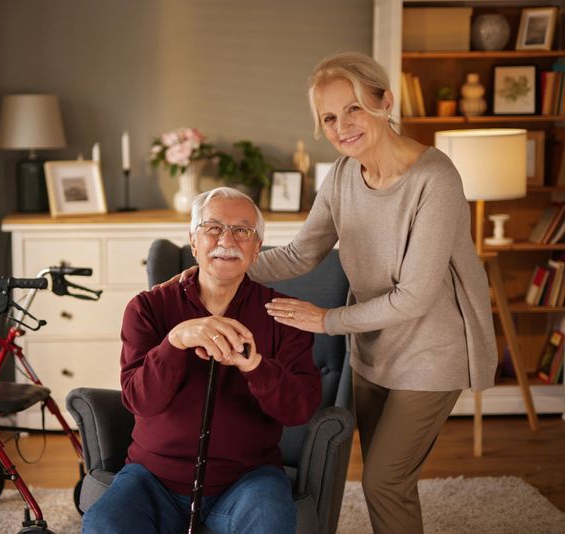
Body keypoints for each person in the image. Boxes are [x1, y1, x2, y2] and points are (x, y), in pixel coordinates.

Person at [165, 52, 497, 534]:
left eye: (354, 109)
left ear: (385, 101)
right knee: (390, 483)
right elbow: (302, 253)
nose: (343, 126)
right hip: (373, 348)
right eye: (329, 117)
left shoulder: (435, 180)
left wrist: (325, 321)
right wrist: (220, 261)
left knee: (385, 481)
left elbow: (415, 297)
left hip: (432, 350)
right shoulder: (343, 174)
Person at [81, 187, 322, 534]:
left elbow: (299, 409)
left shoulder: (283, 315)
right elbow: (139, 400)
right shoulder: (148, 308)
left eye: (243, 230)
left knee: (271, 521)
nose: (227, 239)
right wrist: (175, 341)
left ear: (257, 249)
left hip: (248, 478)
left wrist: (255, 367)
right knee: (105, 524)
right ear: (194, 242)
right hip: (153, 478)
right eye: (213, 228)